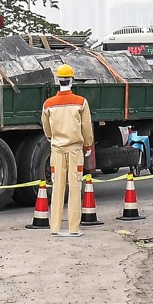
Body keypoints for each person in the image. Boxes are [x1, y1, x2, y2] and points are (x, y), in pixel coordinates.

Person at [40, 64, 94, 237]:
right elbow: (86, 128)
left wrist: (52, 138)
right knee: (75, 187)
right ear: (72, 79)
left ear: (58, 80)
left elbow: (46, 128)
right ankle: (73, 228)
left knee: (57, 188)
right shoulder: (81, 102)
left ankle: (55, 227)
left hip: (56, 151)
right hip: (75, 150)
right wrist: (88, 144)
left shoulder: (48, 104)